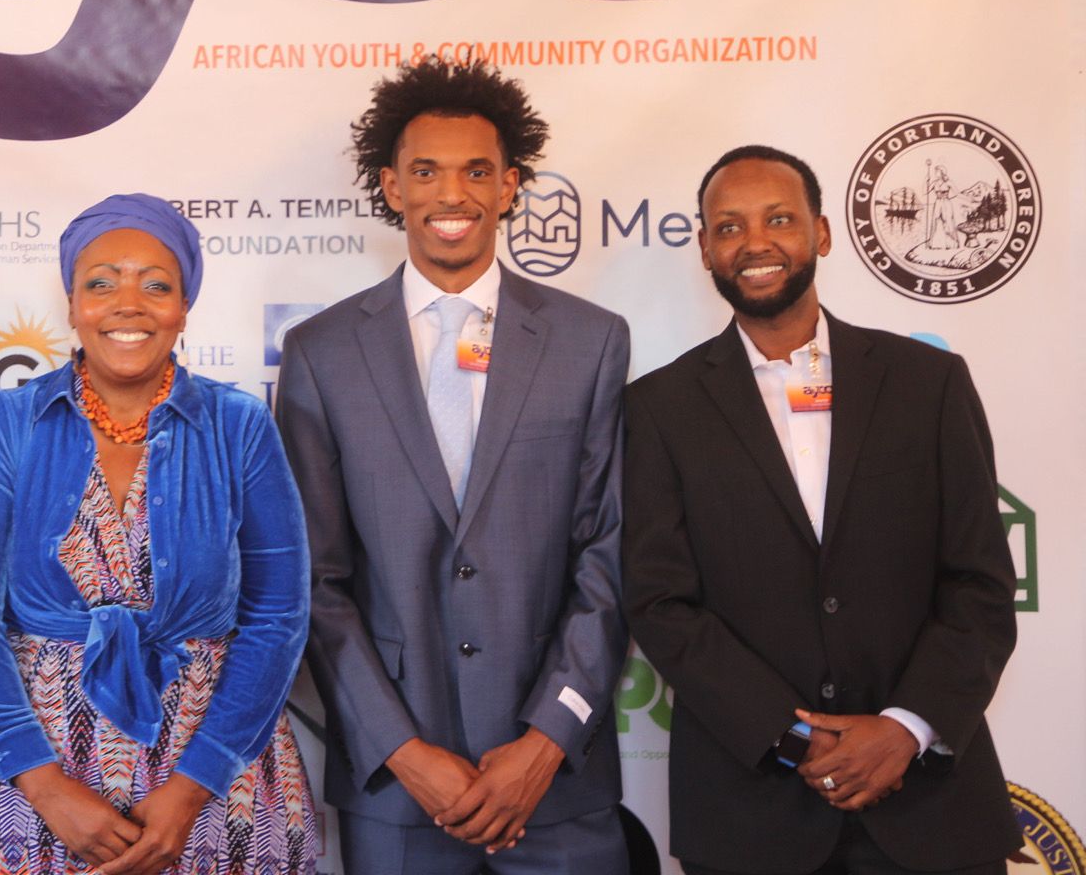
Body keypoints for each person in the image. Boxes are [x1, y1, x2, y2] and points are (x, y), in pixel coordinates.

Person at [623, 145, 1019, 875]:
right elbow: (660, 602)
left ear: (823, 233)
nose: (756, 243)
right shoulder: (657, 408)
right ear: (706, 249)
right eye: (731, 227)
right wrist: (793, 736)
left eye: (778, 219)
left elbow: (981, 583)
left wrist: (904, 729)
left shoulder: (927, 384)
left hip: (930, 809)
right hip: (751, 817)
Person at [276, 59, 630, 873]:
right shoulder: (321, 353)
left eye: (477, 171)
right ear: (391, 187)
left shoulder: (591, 341)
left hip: (558, 787)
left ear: (511, 186)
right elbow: (312, 582)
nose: (452, 195)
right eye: (425, 171)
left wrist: (546, 741)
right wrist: (401, 749)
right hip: (398, 792)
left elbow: (608, 558)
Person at [0, 194, 314, 875]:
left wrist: (194, 786)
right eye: (101, 282)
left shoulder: (240, 426)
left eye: (156, 285)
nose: (127, 303)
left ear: (184, 306)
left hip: (212, 775)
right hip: (30, 775)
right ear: (72, 303)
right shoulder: (9, 423)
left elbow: (277, 614)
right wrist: (44, 785)